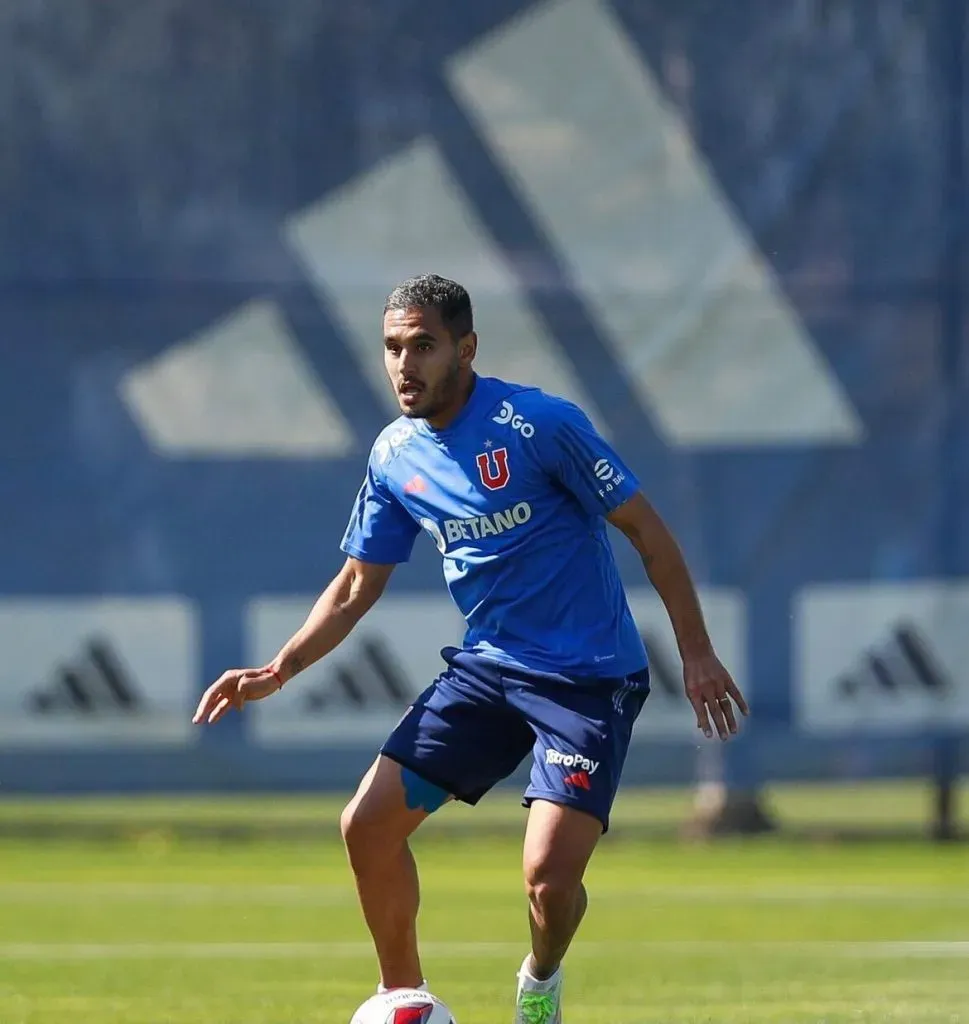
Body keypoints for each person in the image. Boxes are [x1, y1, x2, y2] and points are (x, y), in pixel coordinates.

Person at [193, 274, 748, 1023]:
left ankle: (541, 978)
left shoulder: (539, 424)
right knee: (366, 826)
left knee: (548, 886)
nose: (403, 364)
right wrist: (279, 669)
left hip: (587, 682)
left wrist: (698, 653)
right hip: (488, 672)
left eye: (422, 345)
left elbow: (647, 534)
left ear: (466, 347)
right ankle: (404, 999)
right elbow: (357, 584)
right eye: (392, 347)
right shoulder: (394, 454)